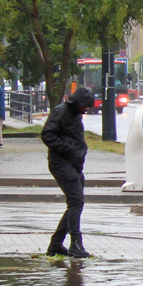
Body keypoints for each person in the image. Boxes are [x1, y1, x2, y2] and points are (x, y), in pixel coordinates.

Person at [41, 87, 97, 258]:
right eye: (83, 107)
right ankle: (75, 242)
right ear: (77, 102)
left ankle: (56, 244)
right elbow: (47, 134)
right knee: (76, 201)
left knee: (75, 203)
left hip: (74, 164)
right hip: (61, 163)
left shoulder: (75, 113)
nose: (84, 110)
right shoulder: (61, 112)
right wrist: (68, 149)